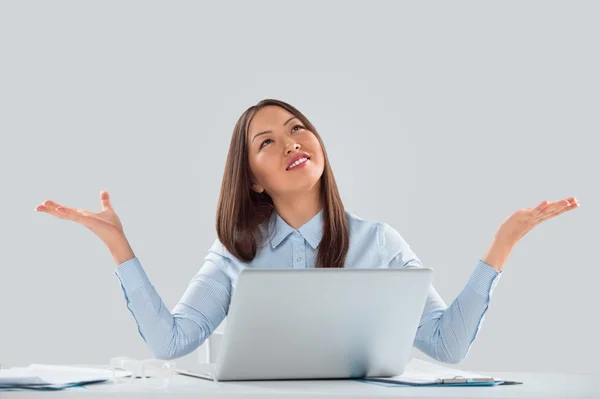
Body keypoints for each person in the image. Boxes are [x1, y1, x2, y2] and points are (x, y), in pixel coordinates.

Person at [35, 99, 579, 364]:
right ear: (252, 178)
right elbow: (170, 341)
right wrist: (117, 245)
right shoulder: (232, 254)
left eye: (298, 129)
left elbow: (447, 344)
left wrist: (502, 245)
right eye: (268, 141)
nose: (292, 142)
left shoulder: (378, 243)